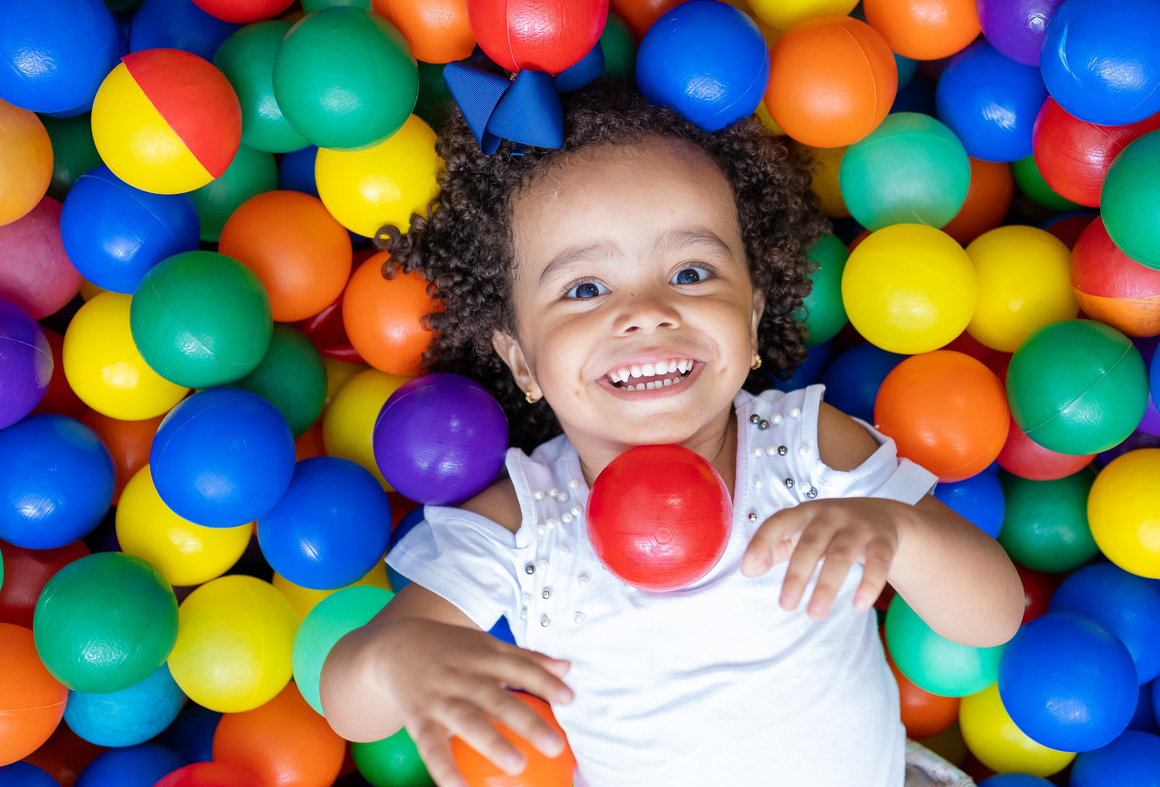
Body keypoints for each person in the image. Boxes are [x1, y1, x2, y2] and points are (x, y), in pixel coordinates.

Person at [321, 78, 1025, 787]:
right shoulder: (528, 524)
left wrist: (897, 532)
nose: (647, 312)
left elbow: (991, 618)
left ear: (749, 323)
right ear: (522, 362)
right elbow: (352, 709)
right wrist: (398, 657)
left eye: (690, 273)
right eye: (585, 289)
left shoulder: (804, 449)